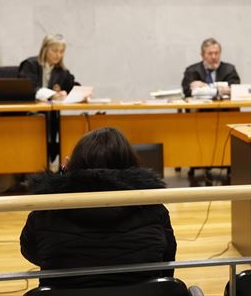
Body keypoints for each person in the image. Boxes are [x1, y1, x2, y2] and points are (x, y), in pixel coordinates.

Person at [20, 127, 177, 289]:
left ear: (72, 165)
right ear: (131, 165)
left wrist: (62, 178)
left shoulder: (47, 211)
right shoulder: (154, 209)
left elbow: (30, 251)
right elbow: (167, 260)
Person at [18, 34, 78, 101]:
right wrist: (52, 95)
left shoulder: (61, 70)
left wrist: (81, 93)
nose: (58, 55)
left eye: (61, 51)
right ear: (45, 50)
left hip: (51, 110)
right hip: (30, 109)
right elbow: (30, 88)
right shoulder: (30, 65)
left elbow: (71, 86)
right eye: (55, 51)